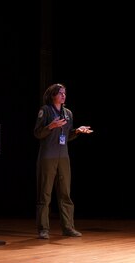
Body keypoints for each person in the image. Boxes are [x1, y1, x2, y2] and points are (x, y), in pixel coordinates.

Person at [34, 83, 93, 239]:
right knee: (45, 194)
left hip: (63, 157)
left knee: (65, 193)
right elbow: (38, 133)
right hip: (48, 157)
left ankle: (68, 227)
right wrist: (51, 126)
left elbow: (67, 137)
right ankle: (43, 229)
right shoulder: (45, 110)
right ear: (53, 95)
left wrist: (77, 131)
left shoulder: (68, 113)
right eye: (60, 93)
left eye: (64, 93)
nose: (63, 95)